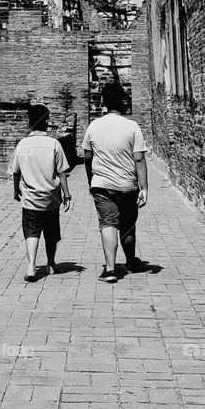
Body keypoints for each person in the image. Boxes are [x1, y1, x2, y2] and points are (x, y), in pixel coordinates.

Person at [82, 83, 148, 284]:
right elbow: (139, 159)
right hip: (127, 184)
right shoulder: (132, 126)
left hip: (102, 184)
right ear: (123, 102)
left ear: (104, 102)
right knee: (128, 225)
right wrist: (144, 187)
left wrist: (90, 178)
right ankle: (130, 261)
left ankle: (110, 269)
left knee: (108, 223)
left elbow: (87, 156)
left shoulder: (94, 126)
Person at [12, 104, 71, 281]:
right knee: (51, 234)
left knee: (32, 231)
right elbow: (62, 172)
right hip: (51, 198)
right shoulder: (54, 144)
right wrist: (66, 194)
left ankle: (31, 267)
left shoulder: (22, 144)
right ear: (46, 121)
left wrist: (16, 190)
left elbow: (16, 171)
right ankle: (51, 263)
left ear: (29, 122)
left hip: (30, 198)